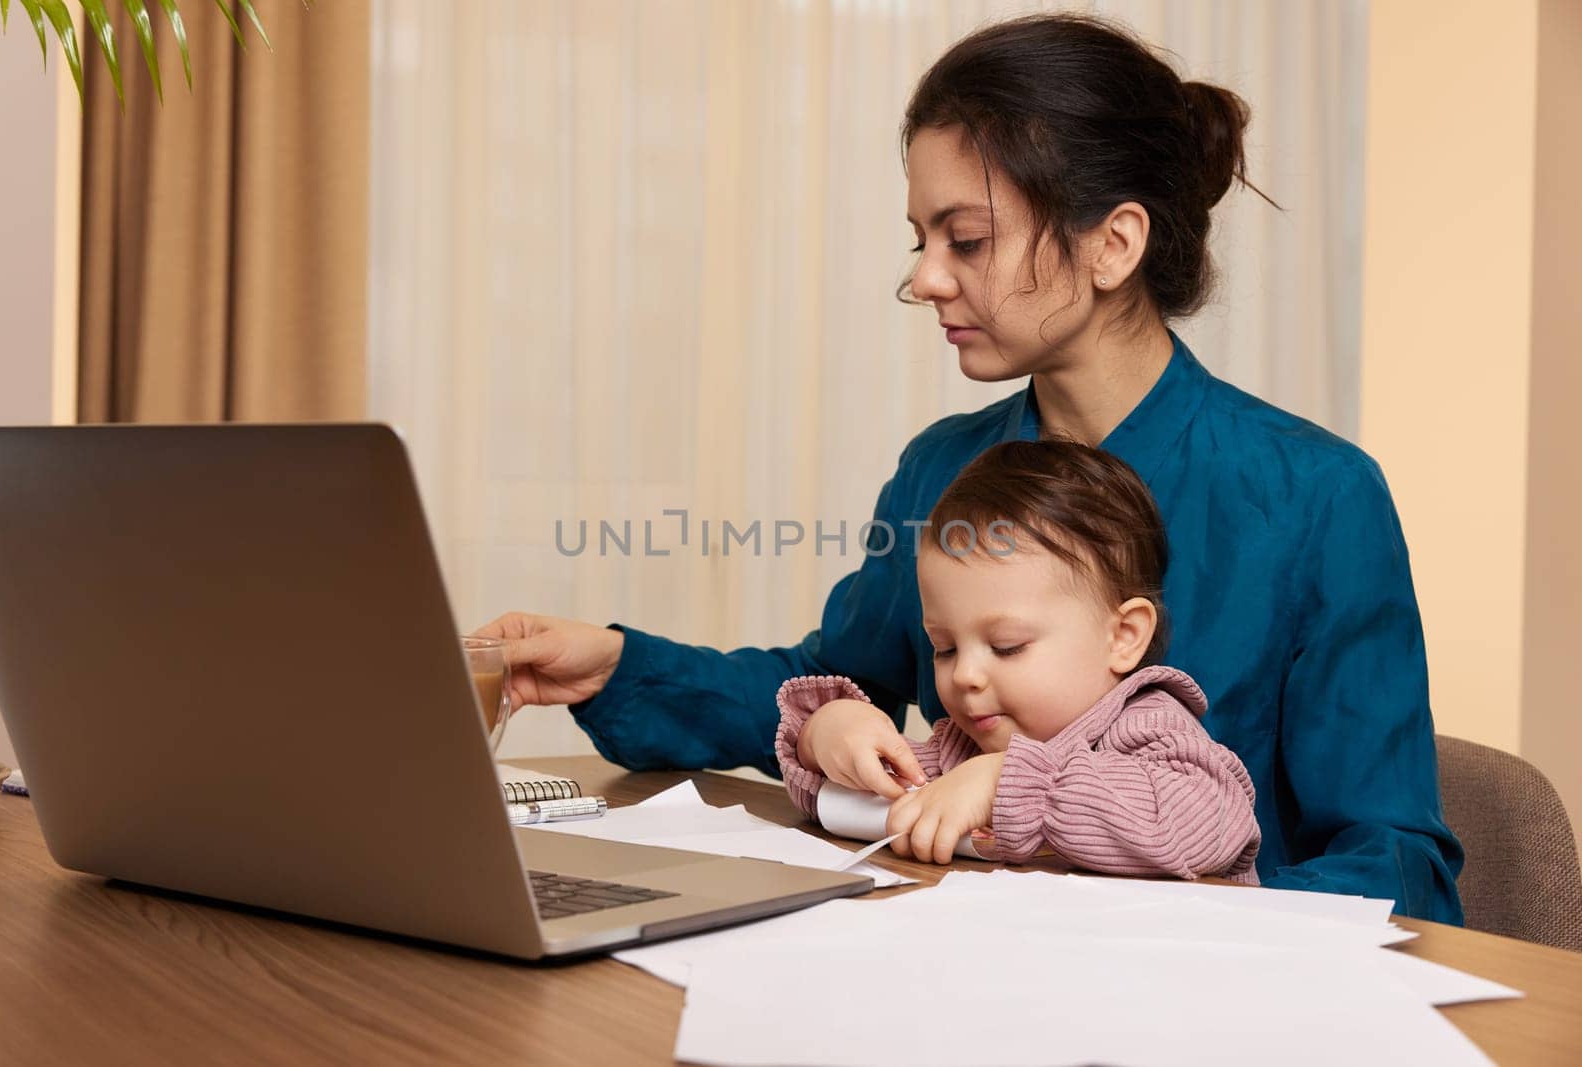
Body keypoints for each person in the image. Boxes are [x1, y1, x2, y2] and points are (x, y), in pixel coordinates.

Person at [477, 13, 1463, 921]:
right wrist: (617, 663)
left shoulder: (1315, 496)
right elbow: (836, 688)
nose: (925, 277)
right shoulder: (943, 468)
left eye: (968, 239)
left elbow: (1394, 859)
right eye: (921, 238)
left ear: (1113, 242)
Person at [775, 439, 1261, 880]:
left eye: (1006, 646)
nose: (964, 675)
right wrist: (827, 738)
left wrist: (1002, 782)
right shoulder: (963, 751)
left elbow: (1207, 822)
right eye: (944, 648)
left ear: (1124, 637)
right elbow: (856, 804)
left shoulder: (1148, 726)